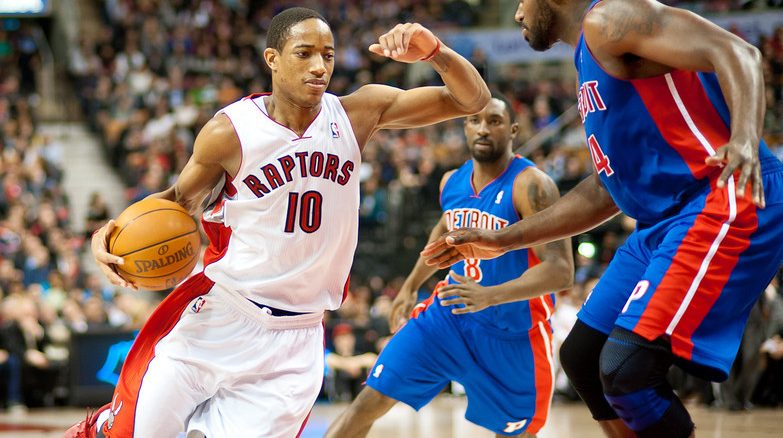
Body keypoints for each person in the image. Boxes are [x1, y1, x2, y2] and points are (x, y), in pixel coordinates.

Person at [65, 7, 489, 438]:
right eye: (304, 53)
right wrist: (109, 232)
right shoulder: (230, 132)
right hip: (223, 314)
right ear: (272, 59)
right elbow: (175, 203)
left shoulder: (357, 113)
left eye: (328, 54)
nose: (319, 66)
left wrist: (435, 52)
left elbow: (472, 100)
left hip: (297, 336)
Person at [421, 1, 783, 437]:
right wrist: (503, 239)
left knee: (627, 368)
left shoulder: (608, 18)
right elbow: (604, 189)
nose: (517, 13)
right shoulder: (589, 63)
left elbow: (739, 53)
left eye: (520, 0)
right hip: (662, 218)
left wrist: (743, 137)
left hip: (724, 192)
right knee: (583, 359)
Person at [326, 96, 574, 437]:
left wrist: (490, 296)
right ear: (465, 127)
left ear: (514, 129)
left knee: (519, 433)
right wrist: (412, 285)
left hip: (513, 332)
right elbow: (444, 231)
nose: (483, 128)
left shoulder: (532, 185)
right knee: (368, 400)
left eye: (495, 121)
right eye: (475, 121)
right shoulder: (451, 182)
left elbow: (561, 271)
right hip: (448, 316)